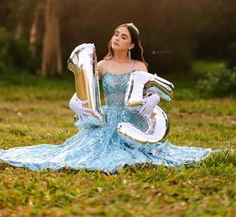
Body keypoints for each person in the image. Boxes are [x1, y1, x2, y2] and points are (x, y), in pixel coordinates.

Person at [0, 23, 211, 173]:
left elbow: (149, 89)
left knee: (136, 150)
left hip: (132, 120)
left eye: (123, 37)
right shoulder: (101, 65)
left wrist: (154, 98)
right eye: (116, 34)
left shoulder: (139, 66)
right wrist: (74, 103)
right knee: (84, 151)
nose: (117, 38)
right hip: (108, 116)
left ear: (131, 45)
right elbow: (83, 89)